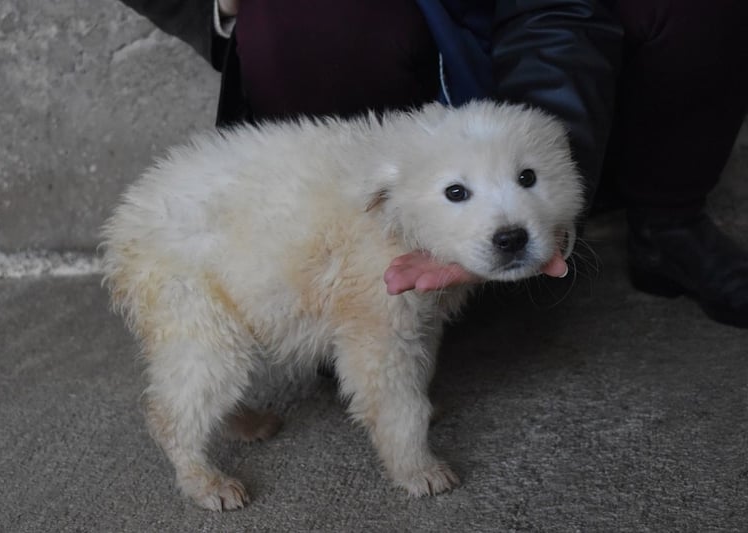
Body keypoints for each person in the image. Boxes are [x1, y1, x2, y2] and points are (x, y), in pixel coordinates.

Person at [118, 0, 748, 328]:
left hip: (557, 19)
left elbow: (559, 12)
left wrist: (552, 181)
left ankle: (666, 223)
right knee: (305, 13)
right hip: (379, 36)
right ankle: (360, 269)